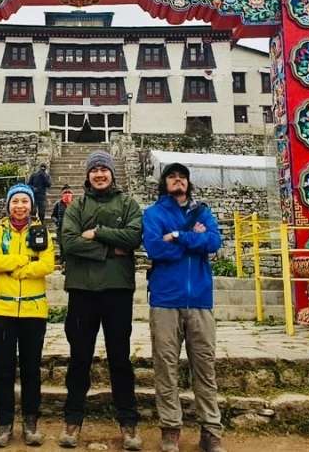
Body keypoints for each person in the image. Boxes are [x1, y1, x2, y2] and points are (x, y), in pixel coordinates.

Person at [58, 151, 143, 450]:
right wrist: (109, 250)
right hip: (82, 291)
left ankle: (129, 422)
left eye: (103, 169)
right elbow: (68, 241)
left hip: (118, 290)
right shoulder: (76, 205)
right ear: (87, 175)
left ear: (112, 173)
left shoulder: (128, 203)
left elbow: (134, 237)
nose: (99, 174)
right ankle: (72, 419)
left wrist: (97, 234)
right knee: (79, 357)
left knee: (120, 358)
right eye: (94, 169)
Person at [142, 163, 225, 452]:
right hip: (166, 299)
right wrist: (194, 239)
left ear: (188, 183)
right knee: (166, 367)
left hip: (200, 299)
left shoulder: (203, 212)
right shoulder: (153, 214)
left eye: (182, 178)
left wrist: (178, 236)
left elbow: (214, 241)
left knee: (204, 367)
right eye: (172, 177)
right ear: (164, 183)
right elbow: (154, 248)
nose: (178, 181)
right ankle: (170, 430)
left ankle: (211, 431)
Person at [0, 183, 56, 447]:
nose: (20, 206)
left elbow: (48, 264)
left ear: (31, 205)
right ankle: (4, 423)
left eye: (24, 201)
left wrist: (17, 268)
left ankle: (30, 421)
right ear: (8, 205)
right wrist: (24, 260)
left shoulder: (40, 231)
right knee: (2, 370)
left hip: (33, 310)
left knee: (31, 370)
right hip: (1, 309)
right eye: (15, 201)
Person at [50, 185, 73, 257]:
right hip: (61, 228)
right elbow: (53, 216)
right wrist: (57, 222)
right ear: (62, 194)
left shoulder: (75, 204)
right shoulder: (58, 204)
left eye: (69, 192)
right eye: (65, 192)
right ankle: (62, 259)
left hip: (72, 229)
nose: (67, 194)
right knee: (62, 245)